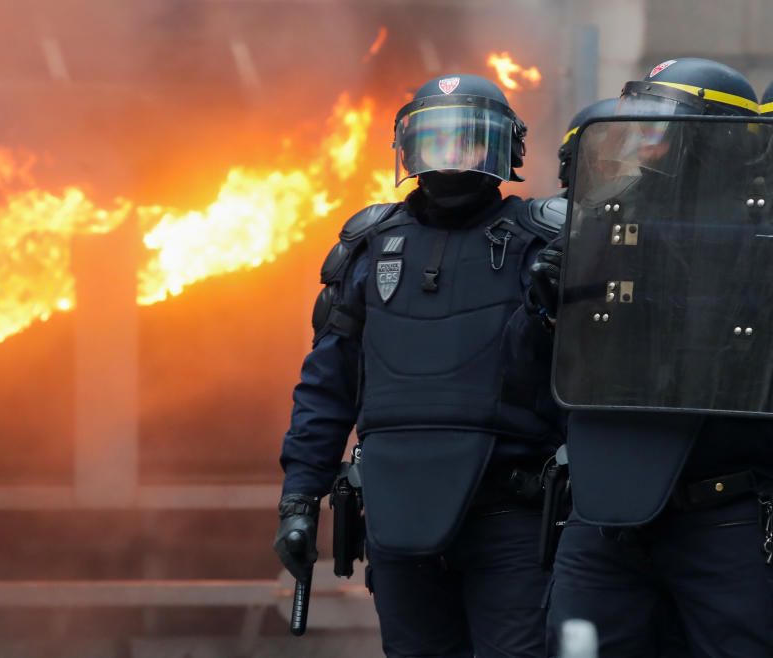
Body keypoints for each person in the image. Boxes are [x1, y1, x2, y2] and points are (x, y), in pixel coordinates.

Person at [273, 73, 563, 658]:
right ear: (408, 150)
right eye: (436, 141)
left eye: (469, 141)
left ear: (505, 149)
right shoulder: (369, 247)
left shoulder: (546, 246)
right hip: (398, 517)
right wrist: (299, 500)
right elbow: (325, 389)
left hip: (510, 516)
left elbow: (588, 382)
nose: (452, 158)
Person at [535, 57, 773, 657]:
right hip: (606, 506)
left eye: (661, 128)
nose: (641, 144)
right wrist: (543, 302)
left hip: (723, 512)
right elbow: (528, 371)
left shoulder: (759, 240)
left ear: (719, 136)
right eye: (636, 126)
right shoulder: (604, 222)